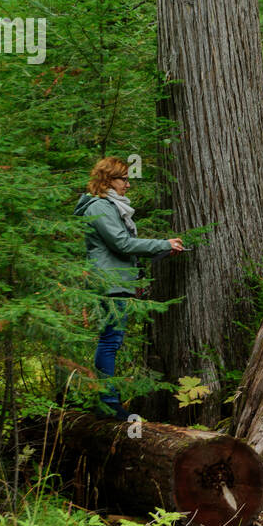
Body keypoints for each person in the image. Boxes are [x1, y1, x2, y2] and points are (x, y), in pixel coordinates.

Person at [75, 157, 183, 419]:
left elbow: (122, 250)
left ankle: (108, 401)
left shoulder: (110, 206)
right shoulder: (99, 207)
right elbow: (121, 244)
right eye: (123, 179)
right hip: (108, 283)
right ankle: (108, 404)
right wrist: (162, 244)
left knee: (112, 340)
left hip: (116, 282)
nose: (128, 185)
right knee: (110, 341)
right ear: (107, 180)